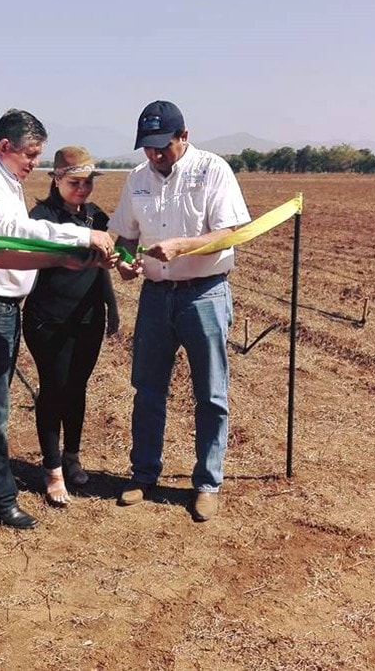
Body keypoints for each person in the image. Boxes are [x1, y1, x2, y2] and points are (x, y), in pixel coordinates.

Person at [0, 109, 116, 529]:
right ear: (5, 147)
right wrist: (79, 239)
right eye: (30, 154)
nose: (33, 164)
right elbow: (13, 229)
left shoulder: (6, 177)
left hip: (5, 306)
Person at [109, 100, 251, 523]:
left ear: (183, 137)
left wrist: (181, 246)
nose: (155, 156)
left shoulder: (212, 171)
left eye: (163, 147)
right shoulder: (136, 180)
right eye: (148, 148)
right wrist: (124, 262)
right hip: (156, 296)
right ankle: (143, 473)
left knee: (210, 393)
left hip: (204, 294)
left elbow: (231, 232)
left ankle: (207, 483)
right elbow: (124, 237)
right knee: (148, 389)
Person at [22, 147, 119, 507]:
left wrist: (111, 305)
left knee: (77, 387)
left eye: (88, 182)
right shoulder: (42, 216)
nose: (82, 189)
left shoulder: (97, 217)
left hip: (88, 316)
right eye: (74, 182)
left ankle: (73, 456)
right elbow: (28, 259)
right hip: (49, 317)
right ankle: (52, 469)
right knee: (54, 388)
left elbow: (102, 266)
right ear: (56, 180)